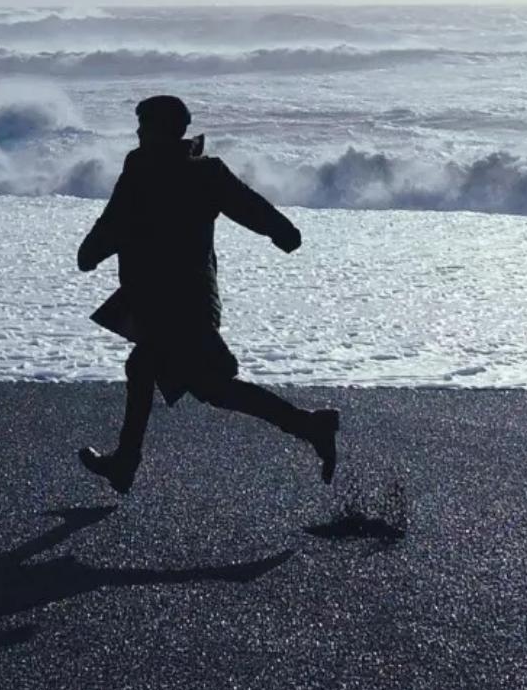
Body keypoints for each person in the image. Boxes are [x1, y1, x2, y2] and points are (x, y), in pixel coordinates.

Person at [76, 95, 339, 494]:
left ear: (160, 130)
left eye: (144, 125)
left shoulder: (145, 173)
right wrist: (283, 232)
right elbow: (249, 205)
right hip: (187, 301)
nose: (138, 132)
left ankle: (309, 425)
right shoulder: (202, 172)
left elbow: (111, 227)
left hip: (173, 306)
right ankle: (126, 462)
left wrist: (91, 253)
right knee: (162, 373)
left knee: (195, 382)